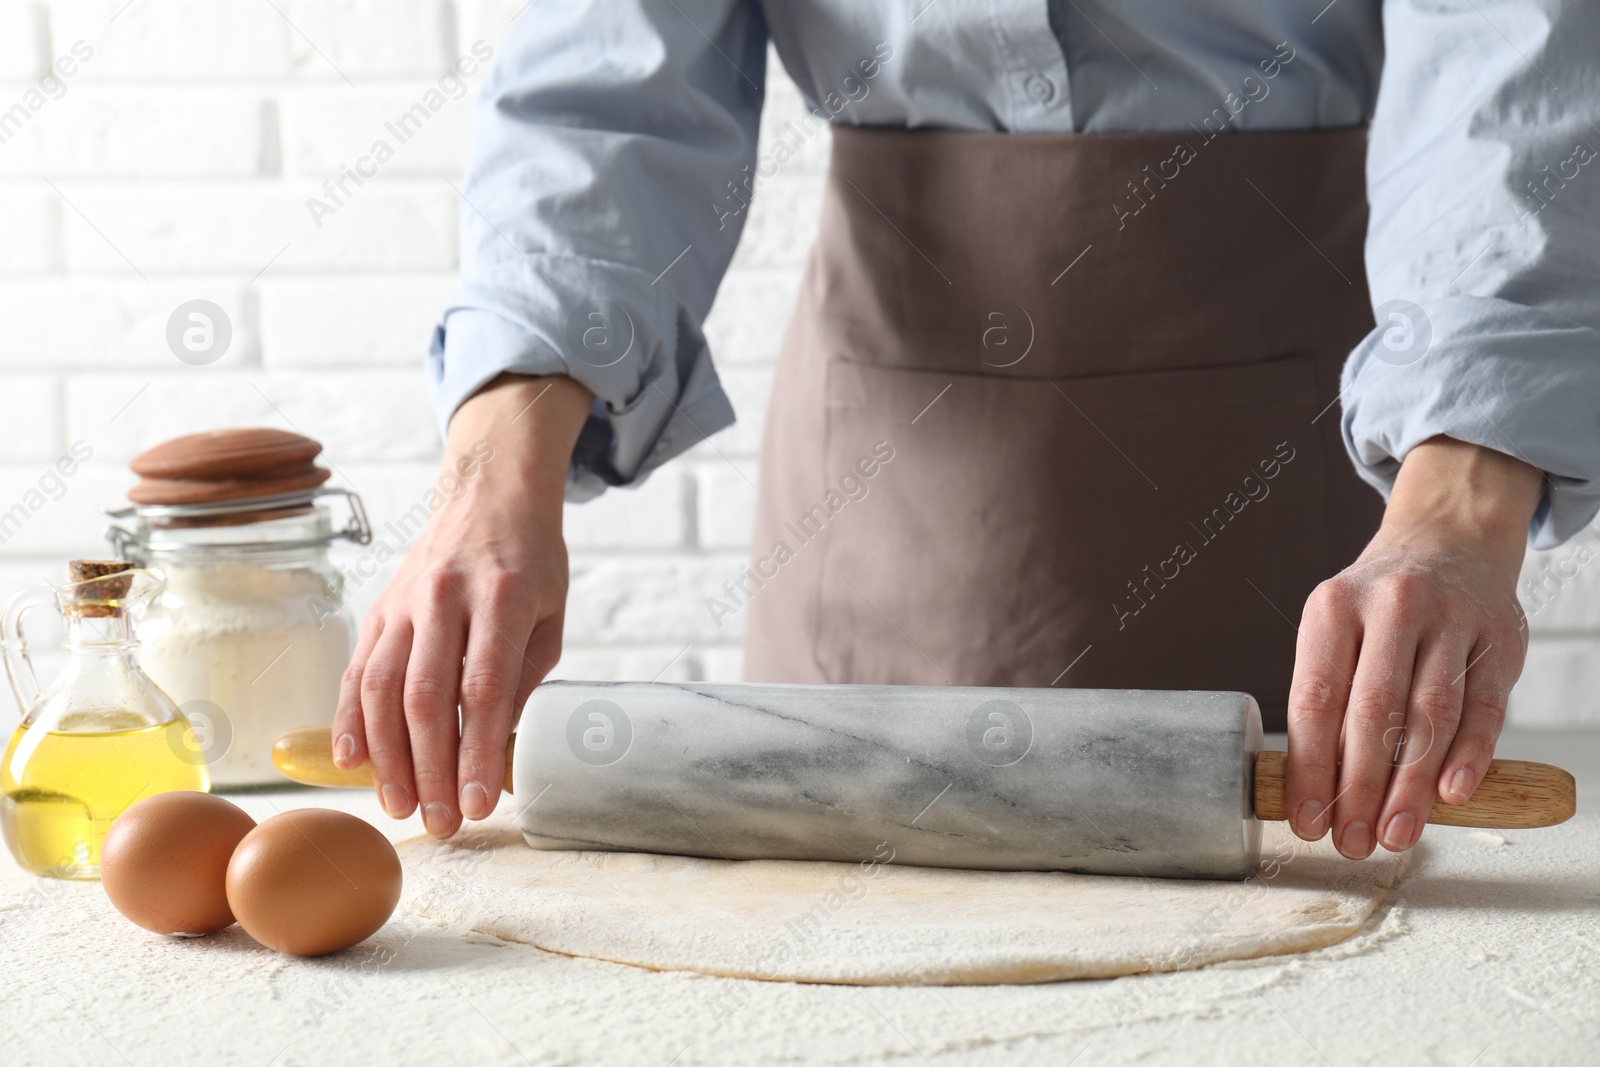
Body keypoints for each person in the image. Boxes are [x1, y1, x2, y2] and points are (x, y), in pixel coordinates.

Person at [331, 3, 1597, 866]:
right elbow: (606, 98)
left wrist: (1455, 504)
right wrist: (493, 468)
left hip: (1305, 473)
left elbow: (1516, 59)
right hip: (886, 478)